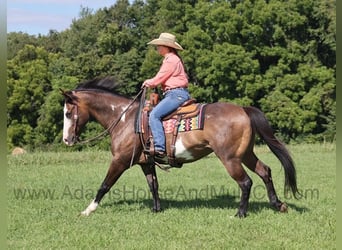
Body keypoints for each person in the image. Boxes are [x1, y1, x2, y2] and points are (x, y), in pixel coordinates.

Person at [142, 32, 190, 159]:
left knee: (154, 115)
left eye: (159, 45)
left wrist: (148, 82)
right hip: (176, 93)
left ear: (166, 47)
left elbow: (159, 78)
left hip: (175, 94)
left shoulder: (171, 60)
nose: (157, 48)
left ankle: (159, 148)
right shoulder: (173, 59)